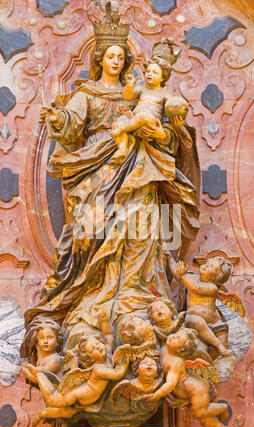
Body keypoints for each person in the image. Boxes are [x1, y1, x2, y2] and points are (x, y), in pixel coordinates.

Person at [20, 5, 200, 362]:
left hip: (140, 170)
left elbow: (172, 131)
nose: (116, 61)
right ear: (100, 59)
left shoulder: (138, 93)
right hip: (96, 171)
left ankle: (138, 295)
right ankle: (95, 295)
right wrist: (56, 115)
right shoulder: (87, 94)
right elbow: (71, 122)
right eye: (111, 56)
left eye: (121, 56)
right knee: (92, 229)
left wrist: (168, 129)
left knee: (144, 228)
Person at [145, 328, 229, 427]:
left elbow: (170, 384)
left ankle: (223, 408)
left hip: (197, 390)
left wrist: (155, 395)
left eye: (177, 339)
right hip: (188, 391)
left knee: (200, 413)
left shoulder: (176, 362)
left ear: (180, 350)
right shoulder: (165, 346)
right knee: (202, 415)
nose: (173, 337)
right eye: (176, 334)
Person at [110, 40, 188, 161]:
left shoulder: (165, 95)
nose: (149, 74)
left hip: (149, 122)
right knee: (120, 120)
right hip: (133, 121)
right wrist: (129, 86)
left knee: (143, 117)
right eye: (148, 71)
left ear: (163, 77)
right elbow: (127, 97)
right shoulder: (141, 88)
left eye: (155, 72)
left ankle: (121, 129)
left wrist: (177, 122)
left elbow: (173, 113)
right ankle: (122, 149)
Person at [176, 257, 232, 356]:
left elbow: (196, 288)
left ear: (216, 278)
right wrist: (169, 259)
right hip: (194, 320)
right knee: (195, 321)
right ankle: (216, 346)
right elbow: (176, 273)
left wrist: (183, 275)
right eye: (207, 262)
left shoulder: (212, 287)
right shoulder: (192, 278)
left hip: (215, 325)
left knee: (223, 347)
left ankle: (218, 346)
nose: (206, 265)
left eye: (211, 267)